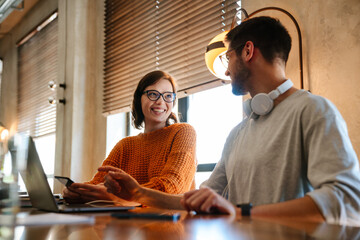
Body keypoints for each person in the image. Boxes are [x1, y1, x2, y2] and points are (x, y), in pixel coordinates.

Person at [101, 16, 360, 226]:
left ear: (247, 51)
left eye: (228, 58)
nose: (226, 70)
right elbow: (199, 199)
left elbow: (346, 199)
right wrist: (138, 193)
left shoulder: (313, 110)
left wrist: (242, 214)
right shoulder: (238, 133)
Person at [63, 71, 197, 204]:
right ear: (139, 99)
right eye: (153, 94)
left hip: (171, 222)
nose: (161, 101)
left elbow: (172, 186)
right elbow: (97, 183)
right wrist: (77, 190)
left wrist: (122, 195)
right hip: (128, 222)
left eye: (168, 96)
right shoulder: (125, 145)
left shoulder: (183, 132)